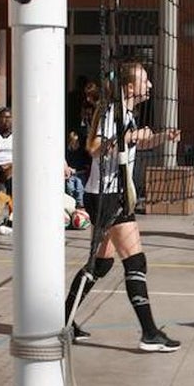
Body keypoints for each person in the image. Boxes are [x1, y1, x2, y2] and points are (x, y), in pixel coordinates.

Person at [63, 62, 182, 352]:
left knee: (101, 264)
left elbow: (130, 146)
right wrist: (131, 136)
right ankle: (150, 333)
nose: (150, 86)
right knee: (135, 260)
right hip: (108, 195)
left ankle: (62, 319)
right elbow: (95, 147)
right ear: (130, 87)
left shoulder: (126, 113)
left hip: (109, 194)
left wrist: (158, 137)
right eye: (145, 81)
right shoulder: (112, 112)